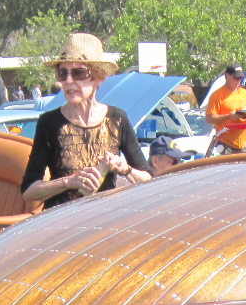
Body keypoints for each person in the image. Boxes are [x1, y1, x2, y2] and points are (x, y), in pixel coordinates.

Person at [20, 33, 151, 209]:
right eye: (62, 73)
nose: (68, 81)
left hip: (103, 220)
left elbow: (148, 179)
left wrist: (124, 168)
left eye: (78, 73)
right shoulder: (49, 123)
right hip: (61, 222)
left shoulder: (117, 119)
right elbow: (28, 191)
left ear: (99, 77)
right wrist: (68, 182)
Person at [205, 64, 246, 151]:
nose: (238, 81)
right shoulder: (217, 95)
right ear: (227, 76)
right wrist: (229, 117)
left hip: (244, 143)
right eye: (236, 78)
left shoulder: (245, 93)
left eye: (240, 78)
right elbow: (210, 118)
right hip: (225, 143)